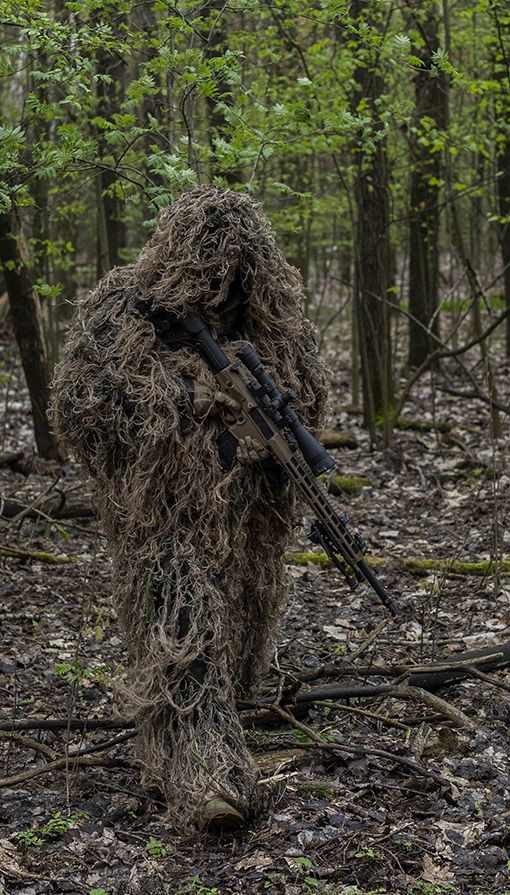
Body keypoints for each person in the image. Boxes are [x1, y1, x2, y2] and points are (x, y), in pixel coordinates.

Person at [50, 186, 328, 833]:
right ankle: (209, 777)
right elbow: (82, 405)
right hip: (160, 516)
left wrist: (269, 434)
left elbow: (305, 399)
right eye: (208, 267)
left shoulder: (276, 327)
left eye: (236, 270)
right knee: (185, 630)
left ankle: (210, 727)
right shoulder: (125, 310)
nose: (220, 282)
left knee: (241, 641)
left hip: (249, 518)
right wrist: (190, 408)